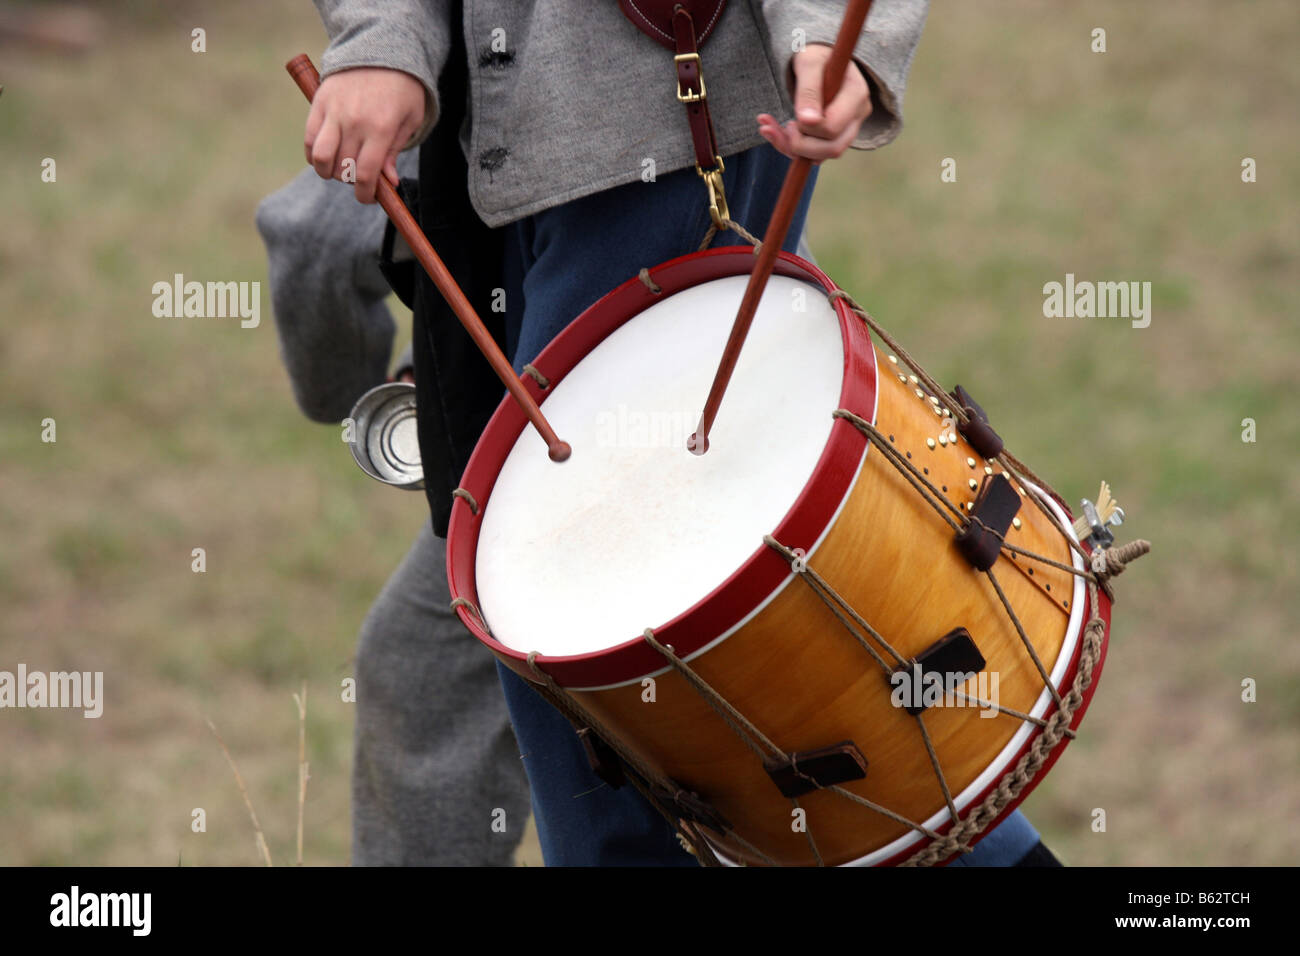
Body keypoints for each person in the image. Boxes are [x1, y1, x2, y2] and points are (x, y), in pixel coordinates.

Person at [303, 0, 1059, 866]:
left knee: (619, 693)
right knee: (666, 667)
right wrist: (386, 35)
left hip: (657, 124)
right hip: (484, 153)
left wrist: (823, 30)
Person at [255, 157, 530, 866]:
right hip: (745, 337)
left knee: (422, 674)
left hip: (565, 423)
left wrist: (346, 390)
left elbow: (317, 237)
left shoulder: (438, 47)